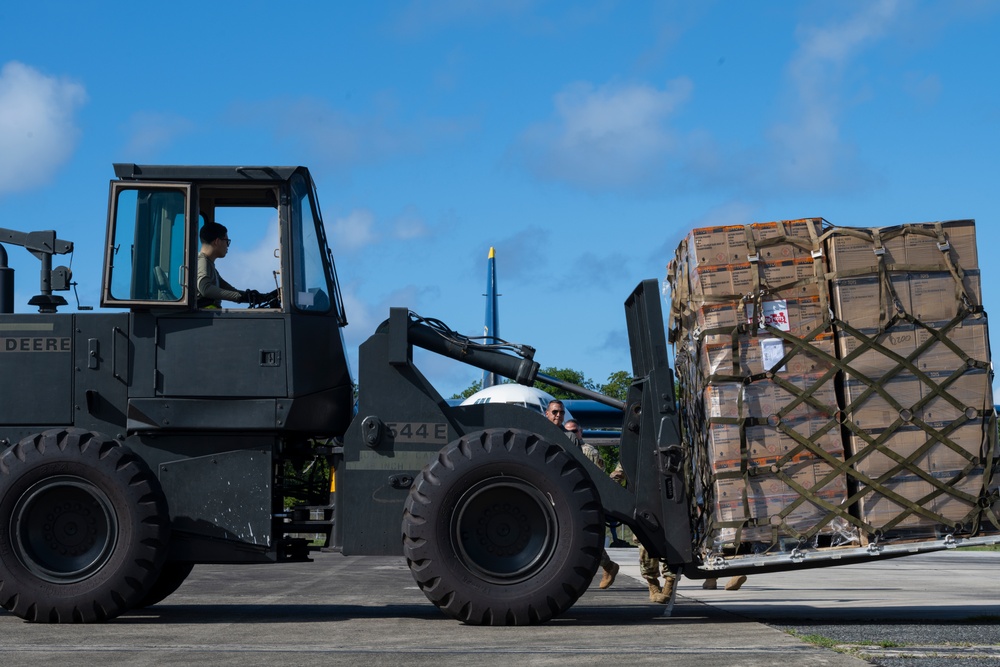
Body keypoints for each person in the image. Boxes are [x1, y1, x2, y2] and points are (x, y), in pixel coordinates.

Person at [562, 416, 620, 590]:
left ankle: (607, 566)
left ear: (580, 432)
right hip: (569, 499)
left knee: (586, 540)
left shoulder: (588, 451)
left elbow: (597, 477)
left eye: (574, 431)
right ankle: (607, 566)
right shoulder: (563, 449)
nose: (571, 435)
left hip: (586, 500)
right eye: (568, 432)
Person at [610, 462, 675, 604]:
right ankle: (653, 587)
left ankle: (669, 585)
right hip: (645, 506)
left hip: (671, 503)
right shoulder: (638, 449)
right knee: (646, 545)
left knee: (674, 545)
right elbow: (618, 475)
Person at [197, 221, 261, 308]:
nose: (227, 246)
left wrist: (255, 297)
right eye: (227, 241)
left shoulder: (210, 266)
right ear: (217, 241)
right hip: (206, 320)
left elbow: (228, 289)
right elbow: (206, 289)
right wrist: (239, 297)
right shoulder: (202, 262)